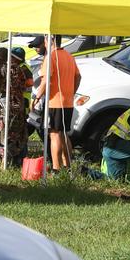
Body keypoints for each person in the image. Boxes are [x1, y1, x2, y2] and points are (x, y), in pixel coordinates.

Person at [34, 35, 81, 171]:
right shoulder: (68, 55)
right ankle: (68, 165)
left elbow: (45, 80)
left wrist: (37, 97)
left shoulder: (51, 57)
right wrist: (71, 92)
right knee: (64, 133)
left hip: (54, 102)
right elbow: (78, 76)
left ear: (49, 40)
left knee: (54, 134)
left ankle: (56, 168)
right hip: (67, 102)